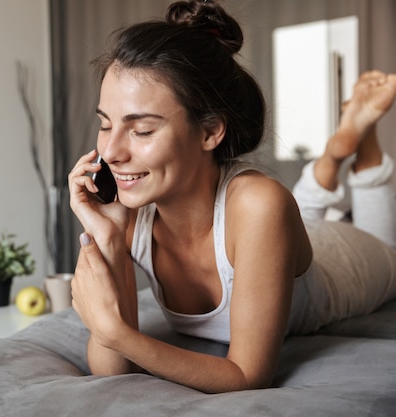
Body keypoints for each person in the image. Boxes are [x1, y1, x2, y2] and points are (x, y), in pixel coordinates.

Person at [67, 0, 396, 393]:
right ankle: (333, 156)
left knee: (388, 248)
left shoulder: (260, 204)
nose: (112, 152)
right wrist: (107, 239)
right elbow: (111, 374)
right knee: (295, 214)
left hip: (342, 259)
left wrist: (115, 332)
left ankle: (359, 142)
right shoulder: (127, 213)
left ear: (209, 132)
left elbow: (247, 376)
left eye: (141, 131)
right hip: (266, 233)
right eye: (106, 125)